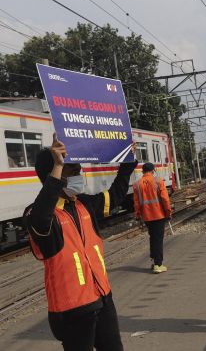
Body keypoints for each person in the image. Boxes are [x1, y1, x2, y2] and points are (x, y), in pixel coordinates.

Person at [24, 134, 137, 350]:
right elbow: (41, 218)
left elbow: (116, 194)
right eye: (72, 170)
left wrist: (128, 162)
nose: (79, 174)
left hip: (102, 298)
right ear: (54, 175)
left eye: (79, 169)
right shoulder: (37, 214)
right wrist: (58, 167)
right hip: (72, 308)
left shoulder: (83, 204)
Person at [133, 162, 172, 274]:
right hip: (159, 215)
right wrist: (168, 212)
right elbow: (165, 199)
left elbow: (136, 203)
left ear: (143, 171)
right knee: (158, 240)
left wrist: (137, 215)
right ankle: (158, 264)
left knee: (153, 238)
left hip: (147, 216)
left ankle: (154, 261)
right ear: (153, 170)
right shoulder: (158, 181)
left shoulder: (137, 184)